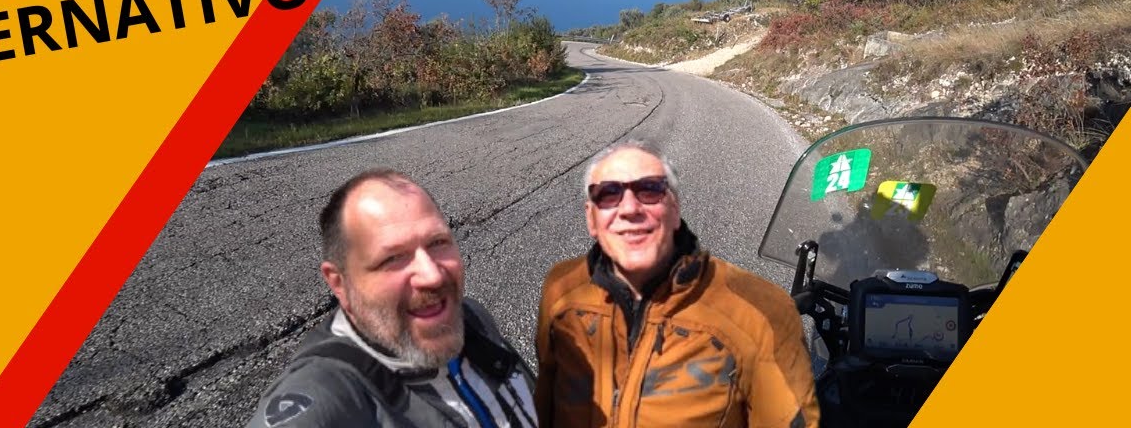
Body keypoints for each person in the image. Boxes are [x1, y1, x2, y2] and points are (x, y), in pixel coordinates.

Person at [534, 141, 819, 428]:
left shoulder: (762, 310)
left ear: (674, 209)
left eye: (649, 189)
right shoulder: (561, 287)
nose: (630, 208)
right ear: (591, 218)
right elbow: (543, 403)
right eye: (608, 194)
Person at [247, 168, 538, 428]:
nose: (432, 275)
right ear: (340, 283)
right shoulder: (330, 399)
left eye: (438, 242)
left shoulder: (472, 318)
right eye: (392, 258)